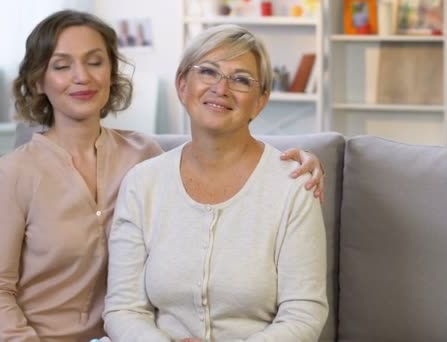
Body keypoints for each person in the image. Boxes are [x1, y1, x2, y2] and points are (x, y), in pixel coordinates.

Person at [0, 10, 326, 341]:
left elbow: (215, 154)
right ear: (38, 81)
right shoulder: (16, 172)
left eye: (95, 62)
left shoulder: (142, 156)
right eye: (61, 66)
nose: (82, 76)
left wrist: (304, 162)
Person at [103, 24, 328, 341]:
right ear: (183, 85)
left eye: (240, 79)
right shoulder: (142, 183)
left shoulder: (293, 186)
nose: (221, 88)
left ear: (261, 99)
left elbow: (304, 313)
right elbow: (123, 309)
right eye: (208, 72)